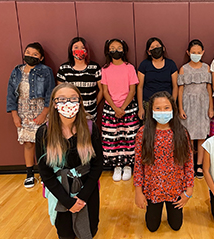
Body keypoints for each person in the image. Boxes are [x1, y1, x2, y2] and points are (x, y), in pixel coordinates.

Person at [35, 83, 103, 239]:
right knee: (66, 238)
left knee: (90, 233)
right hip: (61, 187)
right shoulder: (44, 132)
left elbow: (98, 165)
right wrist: (68, 202)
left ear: (79, 102)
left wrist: (83, 197)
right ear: (54, 103)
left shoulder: (90, 127)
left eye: (73, 99)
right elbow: (46, 173)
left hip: (86, 185)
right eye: (62, 99)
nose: (68, 103)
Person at [134, 91, 194, 232]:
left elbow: (189, 163)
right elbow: (138, 164)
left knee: (176, 226)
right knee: (152, 227)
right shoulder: (143, 133)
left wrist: (188, 190)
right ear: (151, 110)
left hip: (175, 188)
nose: (163, 112)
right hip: (152, 188)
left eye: (166, 108)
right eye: (158, 108)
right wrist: (138, 191)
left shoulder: (181, 132)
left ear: (173, 109)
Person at [6, 42, 55, 188]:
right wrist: (14, 115)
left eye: (35, 54)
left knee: (44, 143)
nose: (30, 56)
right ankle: (29, 173)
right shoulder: (17, 71)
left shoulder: (46, 71)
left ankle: (46, 174)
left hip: (41, 110)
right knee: (28, 143)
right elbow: (11, 94)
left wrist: (44, 113)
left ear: (41, 57)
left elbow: (50, 93)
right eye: (28, 52)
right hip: (23, 111)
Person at [101, 39, 140, 182]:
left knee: (129, 137)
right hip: (111, 109)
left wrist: (122, 108)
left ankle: (128, 165)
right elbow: (105, 91)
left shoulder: (129, 68)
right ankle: (116, 166)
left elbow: (132, 90)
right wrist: (115, 108)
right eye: (112, 48)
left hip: (128, 108)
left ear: (124, 50)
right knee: (112, 138)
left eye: (119, 47)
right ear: (108, 50)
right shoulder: (104, 69)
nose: (115, 50)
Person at [178, 39, 213, 178]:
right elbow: (180, 91)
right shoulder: (184, 68)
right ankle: (189, 164)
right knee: (189, 137)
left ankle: (199, 164)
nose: (196, 54)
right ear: (188, 53)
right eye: (193, 52)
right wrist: (180, 108)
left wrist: (211, 107)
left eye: (199, 52)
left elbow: (209, 89)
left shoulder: (206, 67)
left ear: (203, 52)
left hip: (202, 103)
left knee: (202, 136)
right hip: (188, 103)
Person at [57, 37, 103, 121]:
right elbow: (60, 92)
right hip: (70, 112)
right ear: (71, 50)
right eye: (76, 47)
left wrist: (95, 104)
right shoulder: (64, 68)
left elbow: (101, 89)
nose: (79, 50)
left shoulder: (94, 67)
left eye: (83, 47)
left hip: (90, 112)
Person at [137, 37, 178, 120]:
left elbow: (175, 86)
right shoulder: (144, 65)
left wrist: (172, 104)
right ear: (148, 52)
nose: (155, 49)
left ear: (163, 48)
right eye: (152, 48)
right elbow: (140, 87)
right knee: (149, 129)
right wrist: (141, 108)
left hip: (167, 103)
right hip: (148, 103)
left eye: (157, 46)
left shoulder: (171, 64)